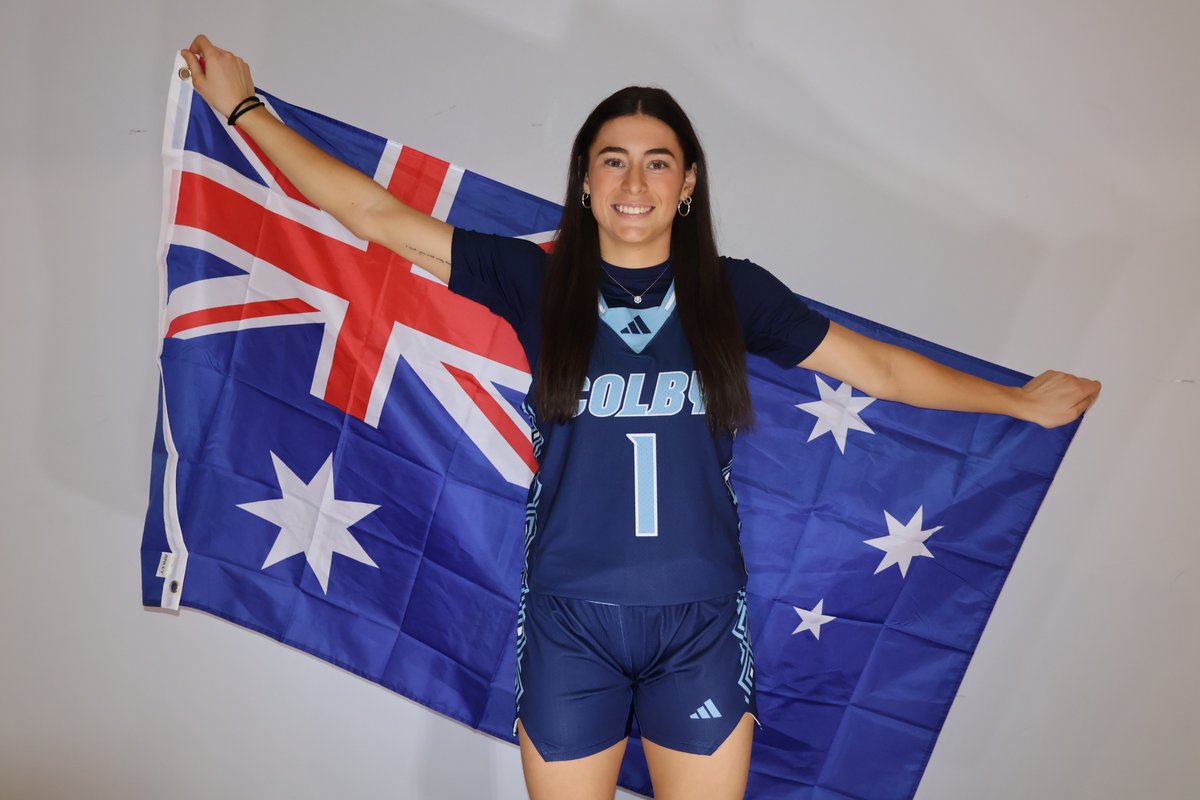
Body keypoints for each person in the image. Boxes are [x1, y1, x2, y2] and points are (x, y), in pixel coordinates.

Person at [179, 35, 1101, 800]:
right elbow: (375, 213)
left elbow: (883, 369)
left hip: (698, 628)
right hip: (570, 623)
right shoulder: (536, 281)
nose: (634, 179)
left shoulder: (733, 295)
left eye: (657, 161)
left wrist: (1016, 400)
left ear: (688, 183)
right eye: (612, 160)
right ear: (584, 180)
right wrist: (243, 109)